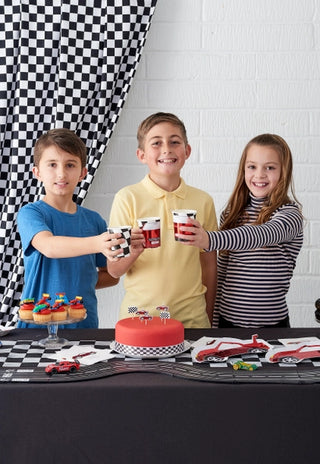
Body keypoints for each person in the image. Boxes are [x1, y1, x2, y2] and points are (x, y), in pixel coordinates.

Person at [178, 133, 303, 328]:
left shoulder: (289, 214)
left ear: (284, 172)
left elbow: (261, 234)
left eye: (269, 167)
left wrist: (209, 239)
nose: (259, 175)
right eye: (252, 167)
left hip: (272, 325)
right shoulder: (232, 213)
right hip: (228, 323)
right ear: (243, 169)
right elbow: (223, 273)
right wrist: (215, 323)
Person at [107, 112, 218, 328]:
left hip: (192, 319)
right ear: (142, 155)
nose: (166, 149)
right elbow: (114, 270)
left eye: (174, 142)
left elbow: (209, 263)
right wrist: (135, 250)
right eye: (156, 143)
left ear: (187, 151)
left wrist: (209, 313)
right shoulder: (127, 198)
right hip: (139, 317)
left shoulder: (203, 200)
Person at [17, 128, 122, 328]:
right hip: (36, 327)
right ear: (37, 172)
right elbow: (49, 246)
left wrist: (78, 282)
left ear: (83, 173)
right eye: (52, 165)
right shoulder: (31, 213)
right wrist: (99, 243)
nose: (61, 173)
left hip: (84, 325)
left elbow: (111, 275)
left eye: (70, 165)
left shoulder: (94, 221)